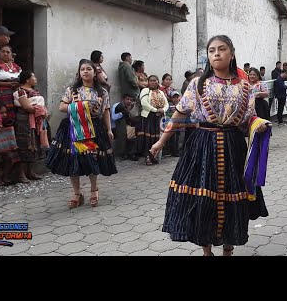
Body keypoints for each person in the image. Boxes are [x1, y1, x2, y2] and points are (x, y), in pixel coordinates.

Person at [150, 35, 270, 256]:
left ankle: (228, 248)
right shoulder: (198, 83)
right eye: (212, 50)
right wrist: (161, 140)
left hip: (233, 147)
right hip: (202, 145)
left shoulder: (245, 86)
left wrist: (258, 125)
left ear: (231, 54)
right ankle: (206, 250)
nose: (216, 53)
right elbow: (180, 113)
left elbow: (248, 119)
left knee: (232, 196)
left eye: (222, 49)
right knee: (203, 199)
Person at [45, 59, 117, 209]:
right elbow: (61, 106)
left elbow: (106, 111)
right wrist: (81, 106)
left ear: (94, 73)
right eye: (82, 69)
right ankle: (77, 193)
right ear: (79, 73)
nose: (85, 71)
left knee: (92, 158)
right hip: (73, 128)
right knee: (73, 160)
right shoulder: (73, 90)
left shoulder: (102, 92)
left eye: (88, 69)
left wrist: (109, 129)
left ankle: (94, 190)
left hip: (94, 129)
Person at [13, 71, 46, 183]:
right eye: (33, 76)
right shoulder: (20, 91)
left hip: (35, 120)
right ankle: (21, 174)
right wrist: (41, 110)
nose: (35, 78)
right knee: (25, 144)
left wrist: (40, 110)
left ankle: (30, 171)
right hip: (24, 120)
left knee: (34, 143)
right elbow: (27, 107)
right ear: (27, 79)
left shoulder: (34, 91)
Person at [136, 75, 169, 165]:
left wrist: (163, 110)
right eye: (151, 80)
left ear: (158, 82)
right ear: (148, 82)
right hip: (148, 117)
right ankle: (147, 157)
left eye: (155, 80)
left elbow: (166, 104)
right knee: (148, 138)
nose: (153, 82)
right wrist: (155, 110)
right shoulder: (145, 91)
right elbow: (144, 103)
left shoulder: (161, 93)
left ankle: (154, 156)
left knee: (156, 138)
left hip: (159, 117)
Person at [111, 94, 138, 161]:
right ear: (123, 99)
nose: (129, 101)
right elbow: (114, 118)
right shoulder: (117, 105)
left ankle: (132, 152)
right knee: (123, 127)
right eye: (127, 99)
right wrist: (123, 112)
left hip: (128, 126)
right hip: (117, 127)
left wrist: (130, 111)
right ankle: (123, 153)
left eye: (131, 100)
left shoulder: (132, 106)